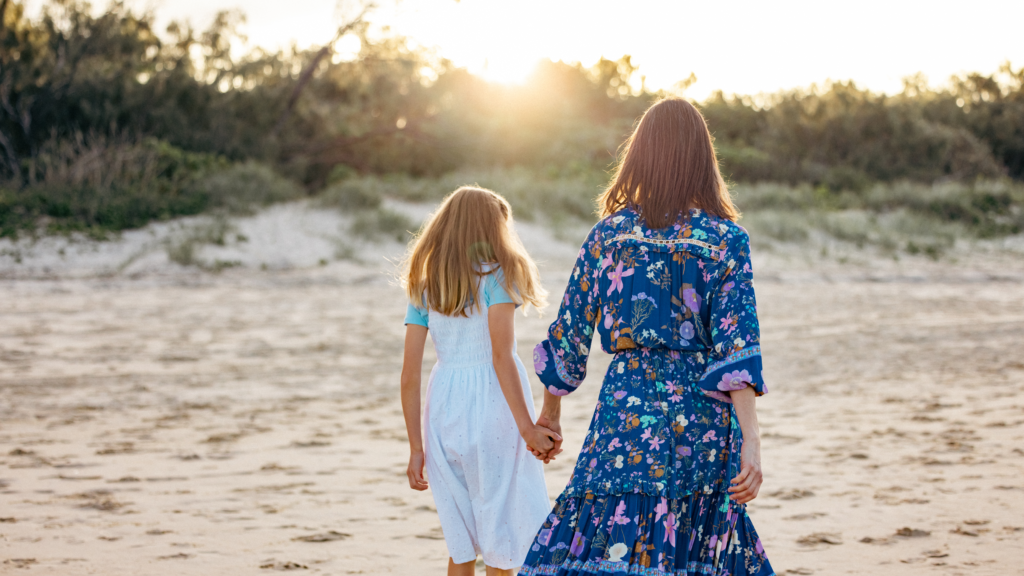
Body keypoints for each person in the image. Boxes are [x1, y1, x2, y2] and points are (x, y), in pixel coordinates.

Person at [520, 98, 774, 575]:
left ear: (639, 155)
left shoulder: (608, 237)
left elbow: (571, 334)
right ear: (703, 159)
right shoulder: (725, 241)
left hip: (625, 412)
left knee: (613, 534)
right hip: (701, 419)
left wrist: (549, 416)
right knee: (689, 544)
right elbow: (736, 347)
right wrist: (751, 441)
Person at [399, 186, 559, 576]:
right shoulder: (497, 277)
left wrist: (416, 447)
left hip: (443, 411)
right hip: (493, 409)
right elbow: (501, 356)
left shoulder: (425, 286)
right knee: (502, 539)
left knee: (461, 544)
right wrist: (527, 429)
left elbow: (408, 375)